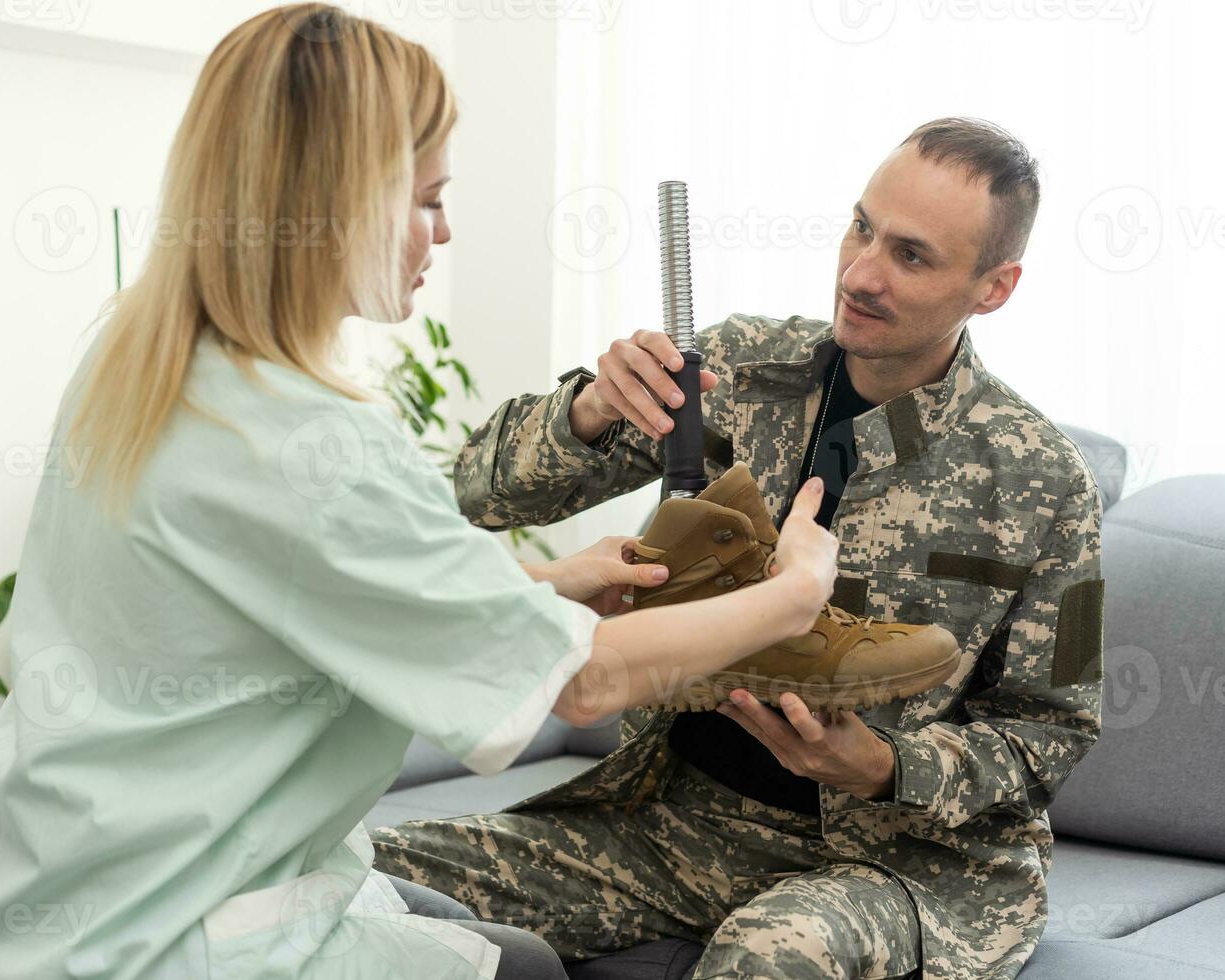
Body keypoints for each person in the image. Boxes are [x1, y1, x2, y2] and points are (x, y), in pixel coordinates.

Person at [0, 6, 841, 979]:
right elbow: (581, 682)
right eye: (428, 198)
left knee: (472, 925)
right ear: (339, 203)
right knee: (531, 965)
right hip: (174, 938)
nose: (446, 230)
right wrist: (790, 596)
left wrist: (543, 588)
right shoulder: (314, 436)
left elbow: (287, 588)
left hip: (53, 906)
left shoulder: (138, 355)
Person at [372, 119, 1106, 980]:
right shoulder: (734, 371)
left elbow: (1054, 729)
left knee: (770, 952)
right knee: (353, 872)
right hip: (665, 822)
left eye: (912, 256)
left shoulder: (1048, 484)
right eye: (862, 227)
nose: (861, 273)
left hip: (895, 865)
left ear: (995, 286)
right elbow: (476, 490)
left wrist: (881, 766)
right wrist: (589, 413)